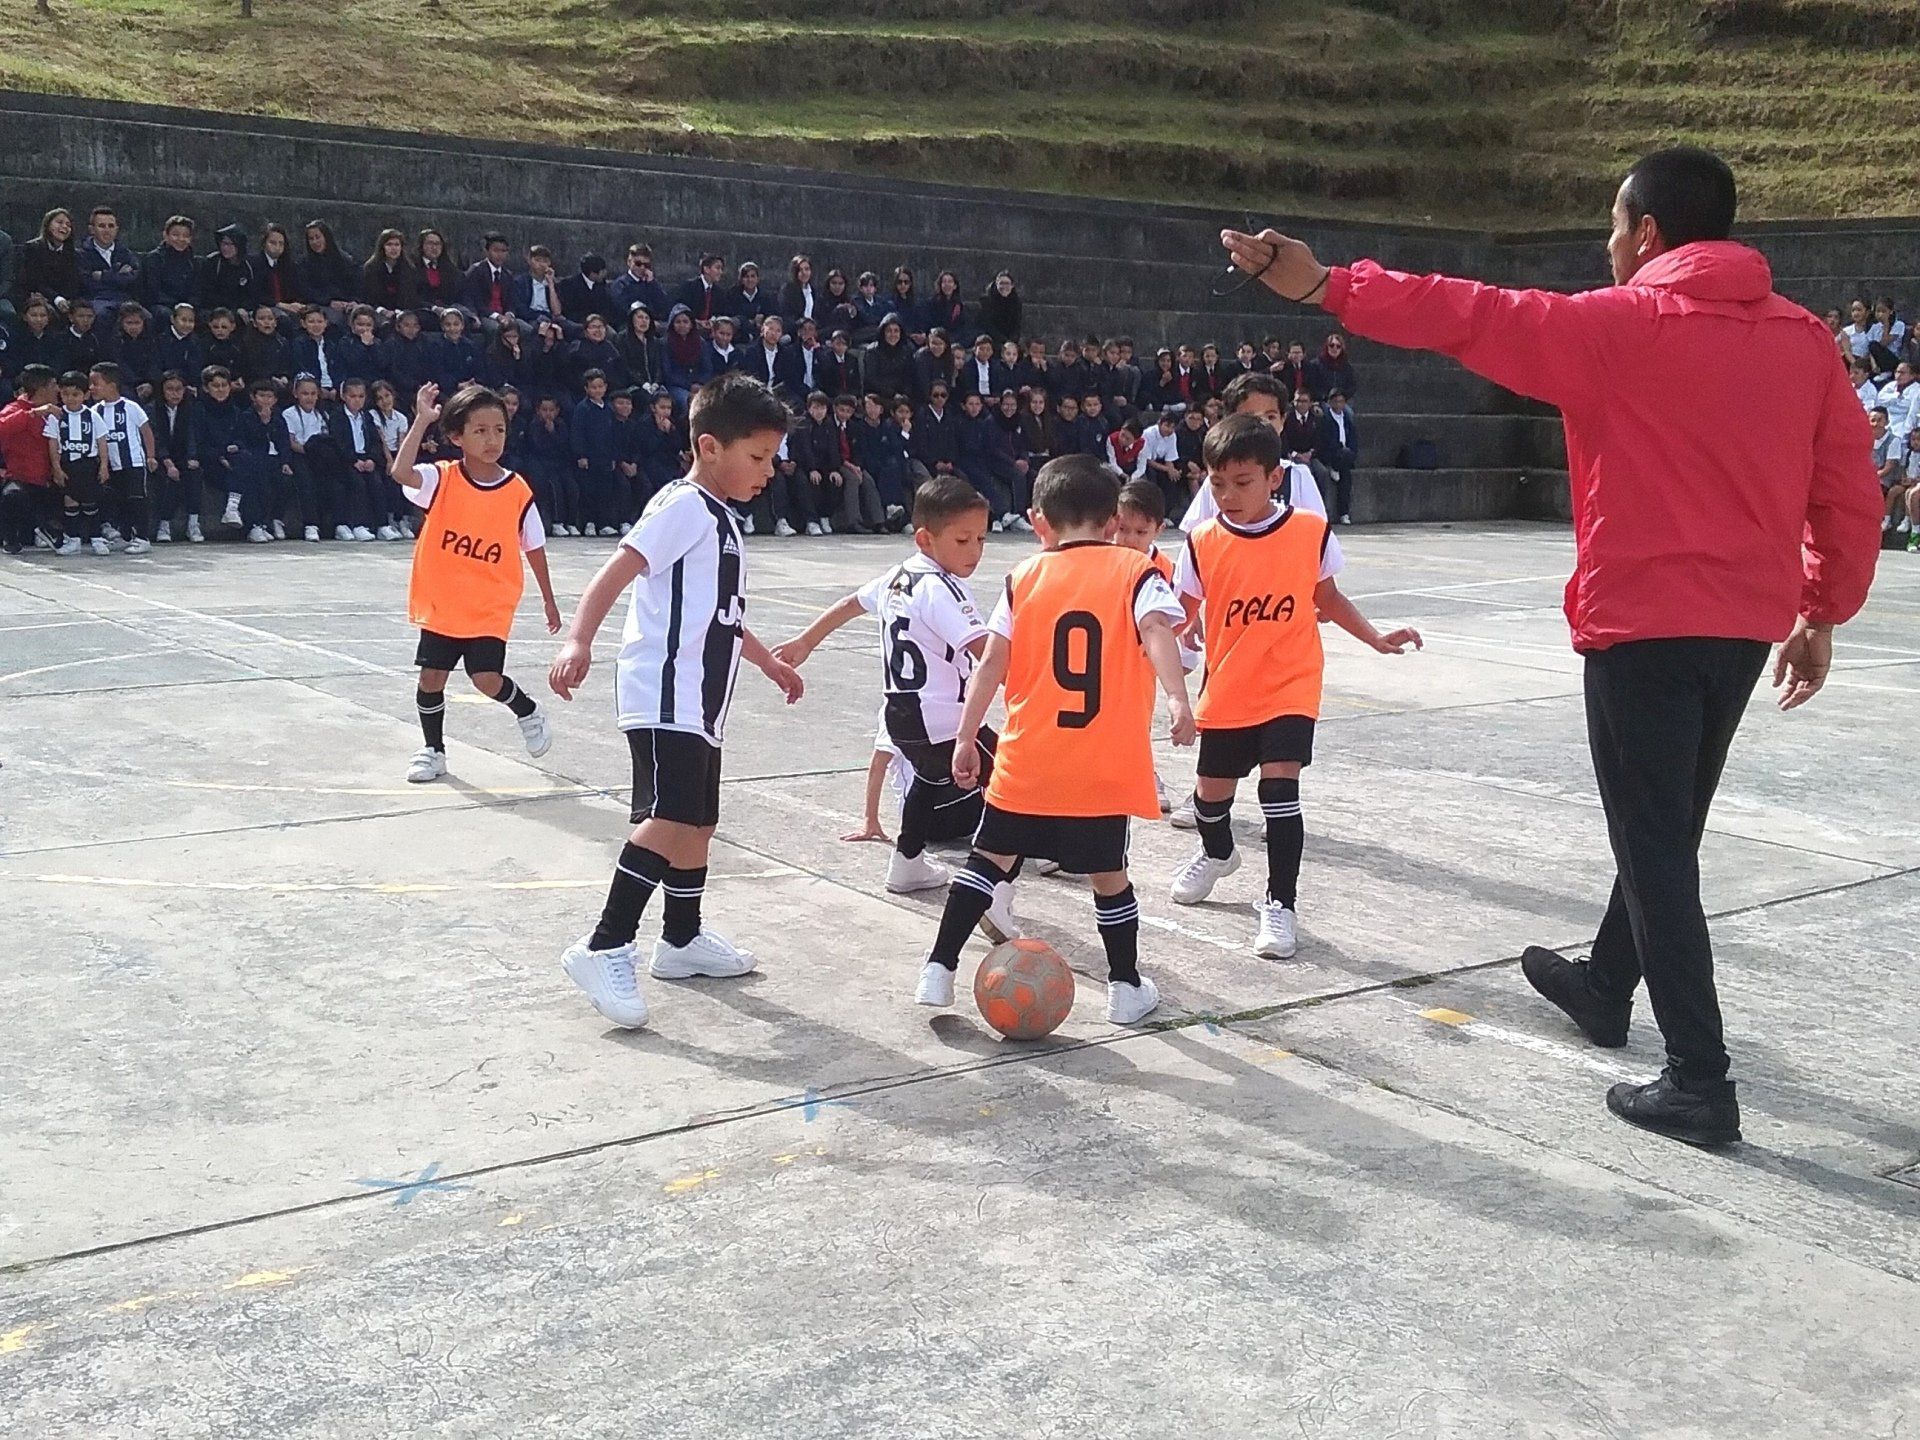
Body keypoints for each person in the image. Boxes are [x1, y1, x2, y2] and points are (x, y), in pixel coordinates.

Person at [1221, 145, 1881, 1145]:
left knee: (1654, 842)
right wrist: (1823, 610)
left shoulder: (1621, 325)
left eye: (1614, 226)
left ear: (1647, 233)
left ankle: (1700, 1079)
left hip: (1645, 623)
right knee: (1666, 821)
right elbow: (1849, 491)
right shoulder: (1805, 341)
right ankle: (1605, 985)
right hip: (1746, 626)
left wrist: (1328, 286)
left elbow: (1472, 314)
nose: (1608, 245)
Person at [547, 372, 803, 1030]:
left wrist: (768, 661)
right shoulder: (683, 506)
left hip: (702, 698)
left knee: (698, 822)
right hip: (666, 692)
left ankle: (681, 939)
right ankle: (604, 943)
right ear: (709, 447)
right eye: (758, 456)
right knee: (669, 815)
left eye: (772, 458)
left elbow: (723, 614)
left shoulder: (722, 518)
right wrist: (579, 639)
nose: (768, 470)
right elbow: (618, 569)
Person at [915, 454, 1195, 1024]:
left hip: (1029, 758)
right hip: (1100, 764)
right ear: (1113, 521)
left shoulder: (1023, 577)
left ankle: (938, 969)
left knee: (986, 863)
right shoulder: (1136, 572)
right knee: (1109, 879)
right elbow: (1156, 628)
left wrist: (966, 736)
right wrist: (1177, 697)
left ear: (1040, 519)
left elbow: (991, 663)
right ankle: (1124, 987)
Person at [1169, 415, 1420, 957]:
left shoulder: (1309, 531)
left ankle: (1280, 903)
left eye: (1242, 482)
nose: (1228, 495)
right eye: (1217, 483)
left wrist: (1376, 637)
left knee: (1279, 792)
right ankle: (1218, 853)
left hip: (1291, 685)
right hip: (1229, 688)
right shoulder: (1202, 541)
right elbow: (1178, 614)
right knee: (1210, 797)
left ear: (1274, 478)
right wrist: (1157, 650)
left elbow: (1327, 598)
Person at [775, 475, 1021, 924]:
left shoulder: (897, 577)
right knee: (1014, 779)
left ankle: (907, 862)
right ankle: (995, 885)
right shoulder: (942, 588)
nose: (975, 551)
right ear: (925, 539)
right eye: (962, 540)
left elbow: (851, 603)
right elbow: (983, 652)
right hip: (943, 715)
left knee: (927, 778)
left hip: (901, 714)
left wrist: (806, 641)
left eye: (982, 539)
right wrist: (1030, 688)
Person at [389, 380, 561, 784]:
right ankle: (433, 750)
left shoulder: (516, 490)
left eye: (498, 430)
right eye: (480, 431)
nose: (491, 439)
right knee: (431, 678)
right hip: (444, 602)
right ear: (456, 437)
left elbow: (534, 546)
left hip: (489, 602)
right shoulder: (441, 479)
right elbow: (400, 472)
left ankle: (528, 711)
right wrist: (421, 420)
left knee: (485, 678)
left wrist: (549, 599)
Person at [88, 361, 156, 554]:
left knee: (137, 499)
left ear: (112, 385)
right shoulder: (95, 411)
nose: (91, 388)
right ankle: (124, 537)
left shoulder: (130, 407)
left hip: (133, 463)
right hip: (111, 466)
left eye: (95, 383)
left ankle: (142, 538)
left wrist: (151, 456)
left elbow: (146, 431)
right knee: (118, 501)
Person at [0, 365, 62, 555]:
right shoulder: (15, 409)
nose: (58, 389)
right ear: (41, 388)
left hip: (53, 480)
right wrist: (33, 414)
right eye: (54, 384)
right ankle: (11, 537)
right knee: (13, 495)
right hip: (23, 480)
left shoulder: (61, 410)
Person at [149, 369, 202, 543]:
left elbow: (192, 435)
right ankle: (164, 524)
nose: (175, 394)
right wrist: (168, 463)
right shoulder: (152, 409)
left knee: (194, 474)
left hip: (182, 454)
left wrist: (192, 457)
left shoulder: (190, 408)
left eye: (179, 389)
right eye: (170, 389)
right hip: (159, 457)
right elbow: (156, 437)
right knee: (168, 479)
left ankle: (193, 523)